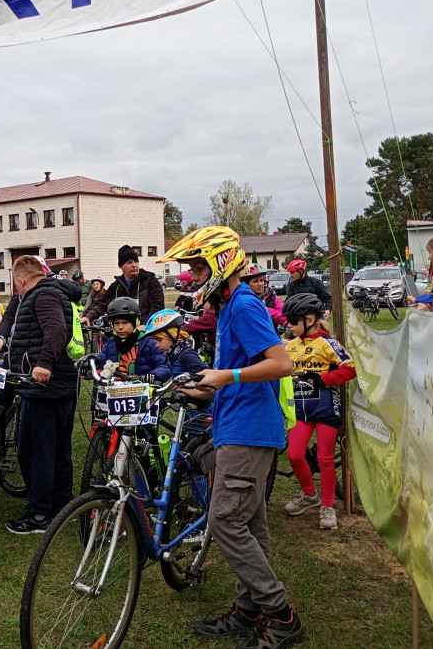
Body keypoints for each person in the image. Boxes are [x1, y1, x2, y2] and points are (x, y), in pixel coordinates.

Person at [160, 226, 303, 647]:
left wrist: (227, 375)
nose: (192, 275)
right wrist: (203, 386)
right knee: (251, 523)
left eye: (198, 266)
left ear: (223, 262)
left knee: (224, 520)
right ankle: (250, 608)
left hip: (250, 429)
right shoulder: (228, 308)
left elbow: (281, 363)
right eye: (190, 268)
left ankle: (280, 614)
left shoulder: (242, 305)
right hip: (234, 424)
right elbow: (233, 374)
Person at [6, 255, 82, 535]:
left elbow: (55, 330)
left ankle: (39, 514)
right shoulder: (55, 292)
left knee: (36, 452)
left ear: (21, 280)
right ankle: (62, 507)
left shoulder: (42, 295)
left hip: (44, 387)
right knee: (58, 451)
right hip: (60, 386)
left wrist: (44, 363)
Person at [281, 294, 356, 530]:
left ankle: (328, 505)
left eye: (293, 320)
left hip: (325, 408)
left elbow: (351, 368)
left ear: (311, 319)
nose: (288, 325)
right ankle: (310, 495)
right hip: (301, 410)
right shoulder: (290, 346)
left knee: (324, 459)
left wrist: (323, 380)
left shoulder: (327, 343)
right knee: (294, 454)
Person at [81, 245, 165, 325]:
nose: (134, 265)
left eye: (136, 261)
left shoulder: (150, 281)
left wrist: (146, 325)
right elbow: (101, 304)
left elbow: (158, 308)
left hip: (145, 333)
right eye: (129, 262)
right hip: (122, 332)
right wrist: (87, 317)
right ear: (120, 266)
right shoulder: (117, 286)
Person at [96, 297, 171, 382]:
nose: (120, 327)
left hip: (143, 391)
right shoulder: (111, 344)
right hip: (115, 391)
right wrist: (91, 361)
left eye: (125, 323)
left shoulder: (149, 343)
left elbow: (164, 366)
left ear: (136, 323)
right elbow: (100, 361)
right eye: (116, 323)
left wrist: (153, 376)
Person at [145, 308, 208, 377]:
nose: (157, 345)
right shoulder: (176, 354)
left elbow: (208, 378)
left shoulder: (186, 355)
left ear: (173, 335)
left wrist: (193, 387)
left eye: (159, 340)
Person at [242, 264, 285, 328]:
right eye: (255, 281)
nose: (260, 284)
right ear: (246, 284)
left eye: (261, 280)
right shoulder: (241, 299)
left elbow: (285, 318)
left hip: (271, 335)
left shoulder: (271, 296)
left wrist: (267, 311)